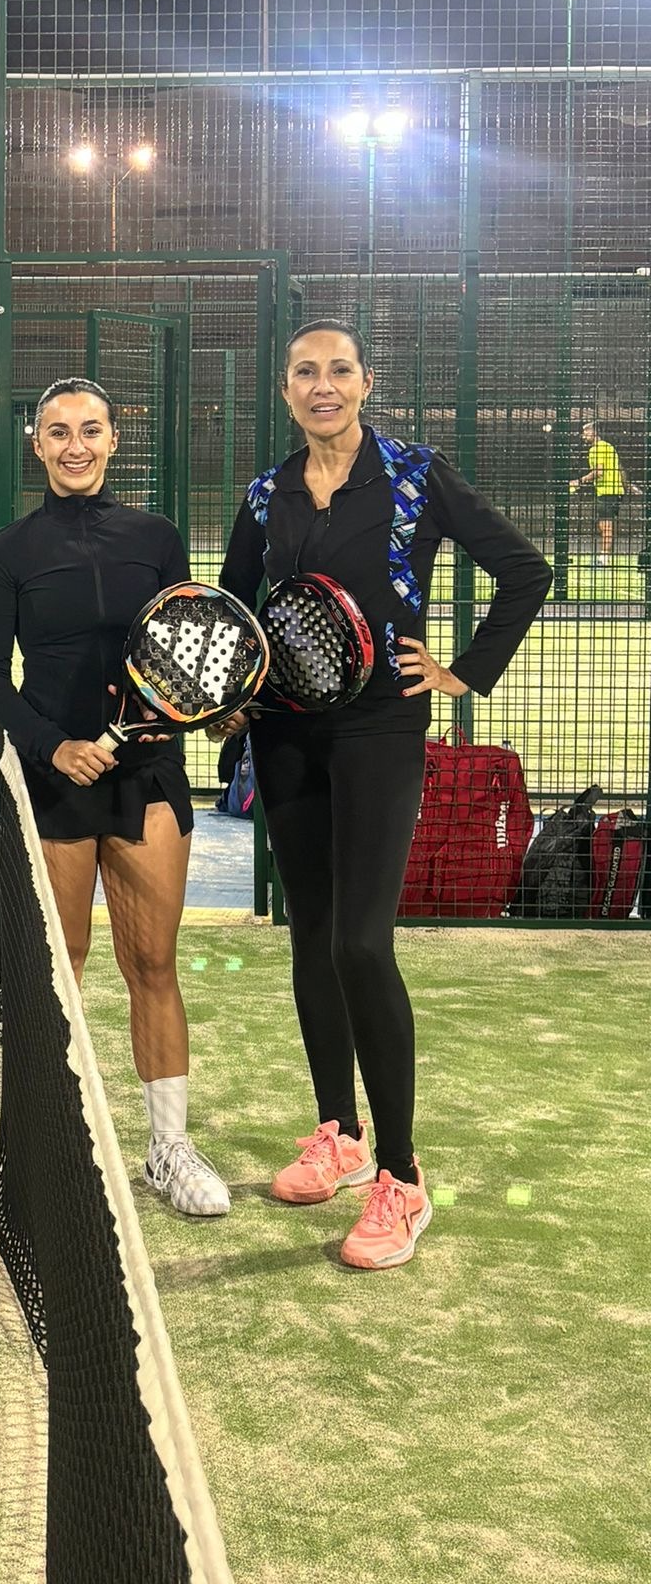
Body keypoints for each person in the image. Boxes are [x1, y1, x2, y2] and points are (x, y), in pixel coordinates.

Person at [219, 319, 550, 1270]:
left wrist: (461, 672)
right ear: (285, 390)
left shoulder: (414, 475)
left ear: (366, 383)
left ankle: (402, 1180)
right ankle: (341, 1137)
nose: (322, 386)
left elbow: (525, 571)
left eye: (339, 371)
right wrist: (231, 700)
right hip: (286, 736)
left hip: (379, 732)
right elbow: (239, 612)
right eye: (304, 373)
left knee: (362, 943)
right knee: (314, 936)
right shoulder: (267, 493)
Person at [0, 376, 230, 1219]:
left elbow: (184, 648)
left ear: (114, 440)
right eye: (58, 432)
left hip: (146, 777)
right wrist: (54, 747)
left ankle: (169, 1149)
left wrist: (205, 713)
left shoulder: (156, 538)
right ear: (37, 445)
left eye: (90, 430)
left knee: (152, 962)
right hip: (53, 781)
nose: (74, 445)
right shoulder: (8, 551)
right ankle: (47, 1148)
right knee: (60, 972)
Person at [569, 421, 639, 566]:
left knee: (605, 525)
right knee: (606, 524)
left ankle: (604, 558)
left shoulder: (596, 449)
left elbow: (598, 472)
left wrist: (579, 481)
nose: (583, 435)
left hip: (606, 491)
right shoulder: (609, 447)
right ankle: (605, 555)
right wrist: (628, 486)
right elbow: (619, 469)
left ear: (595, 432)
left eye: (586, 431)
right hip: (616, 491)